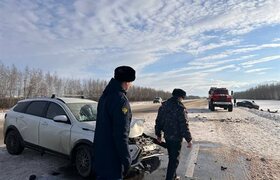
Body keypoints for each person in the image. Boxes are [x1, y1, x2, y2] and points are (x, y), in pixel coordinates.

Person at [94, 66, 136, 180]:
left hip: (101, 157)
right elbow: (120, 134)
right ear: (127, 82)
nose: (130, 85)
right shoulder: (120, 100)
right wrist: (127, 161)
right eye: (131, 82)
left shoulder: (104, 96)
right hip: (113, 161)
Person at [155, 88, 192, 180]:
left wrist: (158, 134)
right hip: (176, 138)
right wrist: (189, 139)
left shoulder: (164, 106)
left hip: (167, 136)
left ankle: (173, 176)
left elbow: (158, 121)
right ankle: (170, 178)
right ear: (180, 97)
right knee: (174, 160)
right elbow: (184, 125)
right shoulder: (180, 108)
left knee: (172, 157)